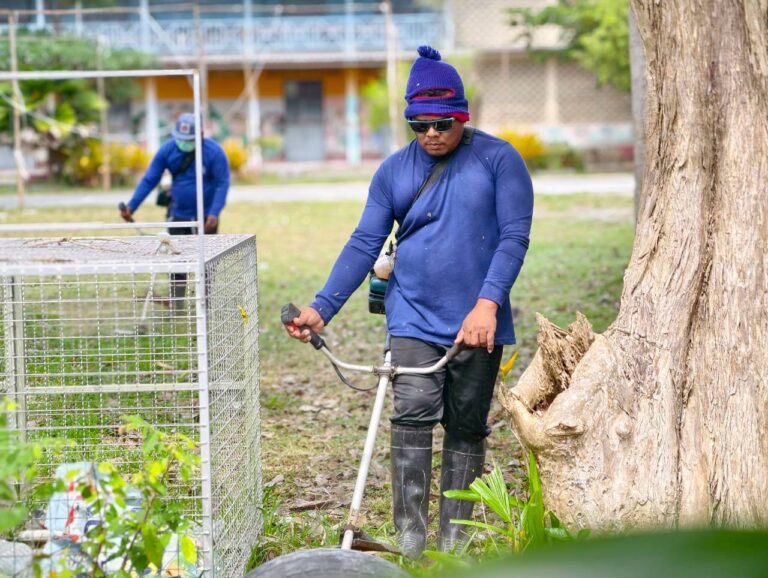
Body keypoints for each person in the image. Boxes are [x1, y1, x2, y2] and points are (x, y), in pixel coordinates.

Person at [285, 45, 533, 557]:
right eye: (420, 125)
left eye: (443, 124)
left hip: (477, 320)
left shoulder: (499, 160)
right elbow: (364, 242)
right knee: (412, 414)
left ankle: (454, 548)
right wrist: (321, 308)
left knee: (466, 425)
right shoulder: (393, 171)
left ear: (463, 116)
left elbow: (514, 237)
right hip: (413, 316)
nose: (432, 134)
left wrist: (487, 303)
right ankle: (412, 545)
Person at [120, 112, 230, 310]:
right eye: (181, 139)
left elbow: (223, 182)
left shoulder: (214, 152)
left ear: (200, 134)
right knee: (177, 262)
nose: (184, 144)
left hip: (206, 217)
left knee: (207, 263)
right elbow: (150, 179)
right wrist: (132, 206)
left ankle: (205, 306)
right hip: (178, 214)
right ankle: (177, 305)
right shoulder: (168, 150)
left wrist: (214, 212)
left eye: (189, 140)